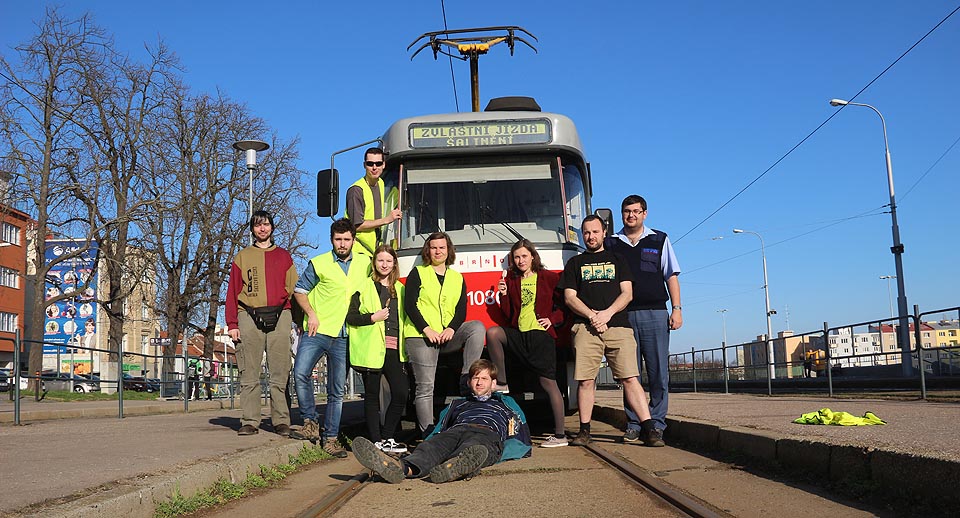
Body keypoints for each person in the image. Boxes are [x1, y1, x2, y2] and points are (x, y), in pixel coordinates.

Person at [560, 215, 660, 447]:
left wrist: (606, 314)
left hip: (619, 327)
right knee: (585, 381)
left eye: (595, 232)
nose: (590, 237)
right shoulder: (575, 263)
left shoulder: (618, 259)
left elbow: (627, 293)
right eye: (586, 232)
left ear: (604, 232)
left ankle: (649, 428)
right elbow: (569, 297)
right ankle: (585, 431)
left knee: (630, 379)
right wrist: (593, 316)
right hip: (586, 328)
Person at [353, 359, 531, 484]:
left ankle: (454, 467)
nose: (479, 382)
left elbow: (519, 428)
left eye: (484, 378)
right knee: (432, 447)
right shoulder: (459, 404)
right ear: (469, 382)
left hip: (487, 432)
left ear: (493, 383)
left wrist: (512, 448)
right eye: (475, 378)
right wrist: (430, 440)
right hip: (457, 430)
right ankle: (399, 468)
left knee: (473, 448)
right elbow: (440, 427)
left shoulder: (504, 403)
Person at [290, 218, 371, 458]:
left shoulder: (365, 263)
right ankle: (310, 422)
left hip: (346, 334)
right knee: (300, 373)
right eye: (338, 239)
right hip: (319, 330)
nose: (343, 244)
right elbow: (299, 291)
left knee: (336, 390)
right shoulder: (319, 263)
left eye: (347, 239)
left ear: (353, 240)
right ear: (331, 240)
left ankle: (331, 439)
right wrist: (311, 315)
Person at [605, 195, 682, 447]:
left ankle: (658, 423)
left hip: (656, 313)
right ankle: (634, 424)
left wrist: (677, 309)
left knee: (659, 372)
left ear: (645, 214)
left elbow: (670, 275)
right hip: (622, 316)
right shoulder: (611, 243)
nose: (631, 216)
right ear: (621, 214)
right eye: (627, 211)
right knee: (629, 373)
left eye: (636, 211)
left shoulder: (659, 239)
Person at [486, 239, 568, 448]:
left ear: (533, 256)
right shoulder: (513, 281)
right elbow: (509, 314)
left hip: (541, 337)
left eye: (524, 256)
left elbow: (563, 304)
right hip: (520, 334)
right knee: (494, 333)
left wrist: (553, 319)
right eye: (516, 257)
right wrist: (503, 295)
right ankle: (502, 383)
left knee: (548, 383)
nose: (521, 260)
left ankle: (560, 435)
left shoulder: (548, 277)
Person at [403, 232, 485, 436]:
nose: (438, 251)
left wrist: (451, 329)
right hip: (421, 336)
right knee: (425, 387)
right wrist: (426, 329)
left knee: (477, 327)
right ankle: (428, 434)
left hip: (446, 336)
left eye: (442, 247)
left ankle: (466, 379)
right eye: (433, 247)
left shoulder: (457, 277)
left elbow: (461, 310)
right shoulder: (418, 273)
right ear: (427, 251)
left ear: (448, 250)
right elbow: (410, 305)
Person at [226, 210, 298, 437]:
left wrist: (298, 321)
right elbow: (232, 292)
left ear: (272, 228)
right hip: (248, 315)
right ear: (252, 229)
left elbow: (294, 290)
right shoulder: (242, 257)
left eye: (266, 224)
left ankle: (281, 421)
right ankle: (249, 420)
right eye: (258, 225)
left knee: (280, 371)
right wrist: (232, 323)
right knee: (249, 372)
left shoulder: (284, 256)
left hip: (281, 315)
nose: (262, 229)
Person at [345, 245, 410, 454]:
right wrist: (372, 317)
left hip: (394, 349)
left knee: (401, 393)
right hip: (372, 349)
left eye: (388, 261)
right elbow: (351, 317)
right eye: (380, 260)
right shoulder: (363, 287)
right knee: (372, 396)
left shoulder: (400, 289)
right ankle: (376, 440)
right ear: (374, 263)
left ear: (394, 264)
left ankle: (388, 436)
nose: (384, 265)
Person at [346, 147, 402, 256]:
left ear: (384, 165)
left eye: (378, 163)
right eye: (370, 164)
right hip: (359, 251)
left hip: (374, 251)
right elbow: (356, 225)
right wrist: (387, 220)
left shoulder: (381, 183)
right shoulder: (356, 190)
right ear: (364, 165)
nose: (374, 167)